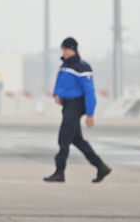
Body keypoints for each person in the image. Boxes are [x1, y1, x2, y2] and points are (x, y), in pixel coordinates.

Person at [44, 37, 112, 183]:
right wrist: (56, 95)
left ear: (73, 49)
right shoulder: (65, 65)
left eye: (66, 50)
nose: (64, 52)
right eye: (63, 50)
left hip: (76, 105)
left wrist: (90, 114)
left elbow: (89, 92)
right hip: (67, 105)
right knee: (77, 139)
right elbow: (60, 82)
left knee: (63, 139)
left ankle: (59, 172)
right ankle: (101, 166)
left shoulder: (82, 67)